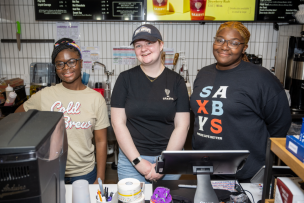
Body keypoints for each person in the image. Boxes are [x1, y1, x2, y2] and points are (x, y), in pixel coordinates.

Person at [190, 22, 291, 182]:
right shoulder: (204, 73)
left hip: (245, 175)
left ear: (244, 48)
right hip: (205, 169)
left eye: (234, 43)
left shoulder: (261, 78)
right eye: (220, 40)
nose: (225, 46)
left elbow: (279, 125)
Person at [15, 38, 110, 184]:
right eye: (60, 64)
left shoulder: (96, 99)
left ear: (81, 63)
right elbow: (16, 118)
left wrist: (100, 177)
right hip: (50, 172)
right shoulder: (44, 95)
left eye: (71, 62)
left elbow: (101, 140)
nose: (66, 68)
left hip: (84, 174)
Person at [111, 24, 190, 183]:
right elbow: (118, 123)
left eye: (149, 43)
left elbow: (182, 125)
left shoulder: (177, 81)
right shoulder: (125, 79)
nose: (143, 49)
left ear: (161, 45)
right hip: (131, 160)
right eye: (138, 45)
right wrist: (137, 161)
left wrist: (164, 162)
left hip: (170, 158)